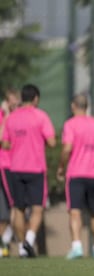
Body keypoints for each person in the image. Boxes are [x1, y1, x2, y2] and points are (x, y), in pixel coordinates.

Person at [1, 84, 56, 258]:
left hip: (16, 168)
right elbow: (53, 142)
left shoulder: (12, 118)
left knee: (18, 209)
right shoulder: (41, 116)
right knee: (38, 208)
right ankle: (28, 242)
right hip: (36, 169)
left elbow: (5, 143)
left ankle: (21, 246)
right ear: (36, 99)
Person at [56, 94, 94, 260]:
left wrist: (61, 167)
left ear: (73, 106)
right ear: (87, 107)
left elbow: (66, 148)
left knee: (75, 212)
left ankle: (77, 246)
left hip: (76, 173)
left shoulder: (70, 124)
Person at [0, 89, 20, 257]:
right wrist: (6, 116)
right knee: (13, 205)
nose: (14, 103)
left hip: (21, 165)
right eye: (11, 100)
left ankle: (7, 242)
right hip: (5, 165)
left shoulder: (21, 116)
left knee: (16, 207)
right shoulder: (3, 116)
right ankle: (6, 243)